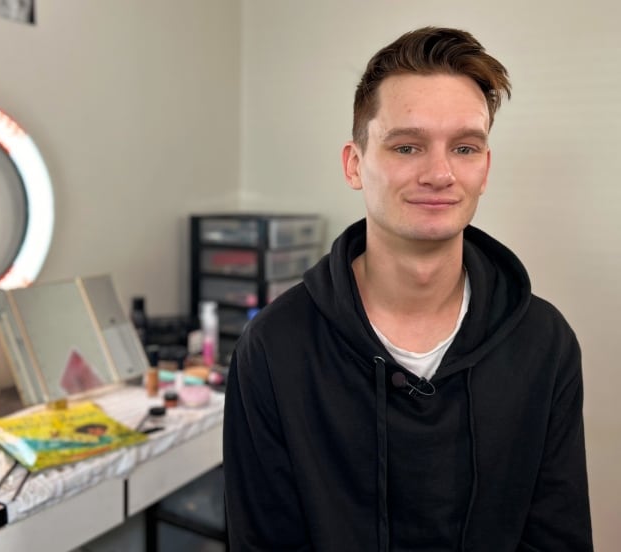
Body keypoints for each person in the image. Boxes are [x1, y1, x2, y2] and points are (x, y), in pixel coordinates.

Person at [223, 26, 592, 551]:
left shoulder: (544, 342)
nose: (439, 173)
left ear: (484, 169)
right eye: (406, 146)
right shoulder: (274, 349)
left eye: (464, 147)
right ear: (355, 164)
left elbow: (558, 537)